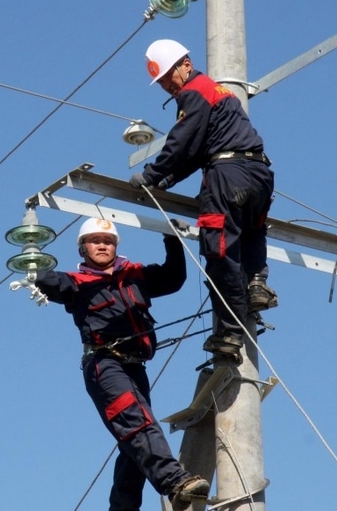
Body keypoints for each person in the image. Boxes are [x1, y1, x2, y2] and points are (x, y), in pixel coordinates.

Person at [33, 217, 210, 511]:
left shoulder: (134, 275)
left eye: (109, 241)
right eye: (95, 241)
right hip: (104, 365)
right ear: (82, 248)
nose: (102, 245)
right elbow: (44, 279)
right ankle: (174, 482)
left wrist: (172, 239)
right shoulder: (75, 283)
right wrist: (31, 253)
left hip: (135, 367)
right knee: (137, 423)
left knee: (133, 446)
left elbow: (173, 278)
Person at [129, 39, 278, 361]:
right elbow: (197, 149)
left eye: (170, 76)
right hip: (259, 174)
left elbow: (183, 142)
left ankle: (230, 332)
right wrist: (166, 179)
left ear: (186, 63)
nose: (169, 85)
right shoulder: (218, 93)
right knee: (251, 231)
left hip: (227, 176)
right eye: (163, 82)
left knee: (219, 251)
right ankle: (256, 284)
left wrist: (153, 175)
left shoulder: (194, 92)